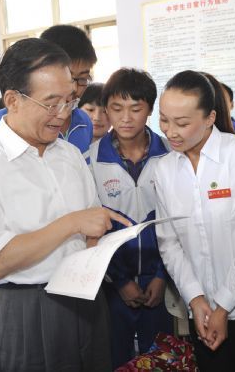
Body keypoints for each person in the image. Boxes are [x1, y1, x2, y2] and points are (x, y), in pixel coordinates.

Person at [0, 38, 131, 372]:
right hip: (26, 310)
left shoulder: (70, 155)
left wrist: (100, 240)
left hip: (87, 300)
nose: (63, 115)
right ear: (13, 100)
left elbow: (90, 223)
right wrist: (73, 223)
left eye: (69, 101)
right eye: (52, 103)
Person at [154, 70, 235, 371]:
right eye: (163, 120)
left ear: (210, 117)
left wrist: (222, 306)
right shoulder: (164, 170)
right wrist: (196, 299)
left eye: (182, 123)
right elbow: (169, 243)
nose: (170, 131)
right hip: (201, 311)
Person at [87, 68, 173, 368]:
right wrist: (121, 281)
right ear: (106, 109)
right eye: (116, 108)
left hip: (162, 283)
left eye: (136, 109)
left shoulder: (172, 156)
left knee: (162, 358)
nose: (125, 118)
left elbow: (178, 223)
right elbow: (93, 232)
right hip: (112, 286)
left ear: (150, 109)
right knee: (116, 358)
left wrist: (163, 276)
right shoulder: (90, 160)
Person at [0, 25, 95, 155]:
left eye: (83, 79)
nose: (74, 88)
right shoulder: (2, 123)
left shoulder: (84, 122)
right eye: (70, 78)